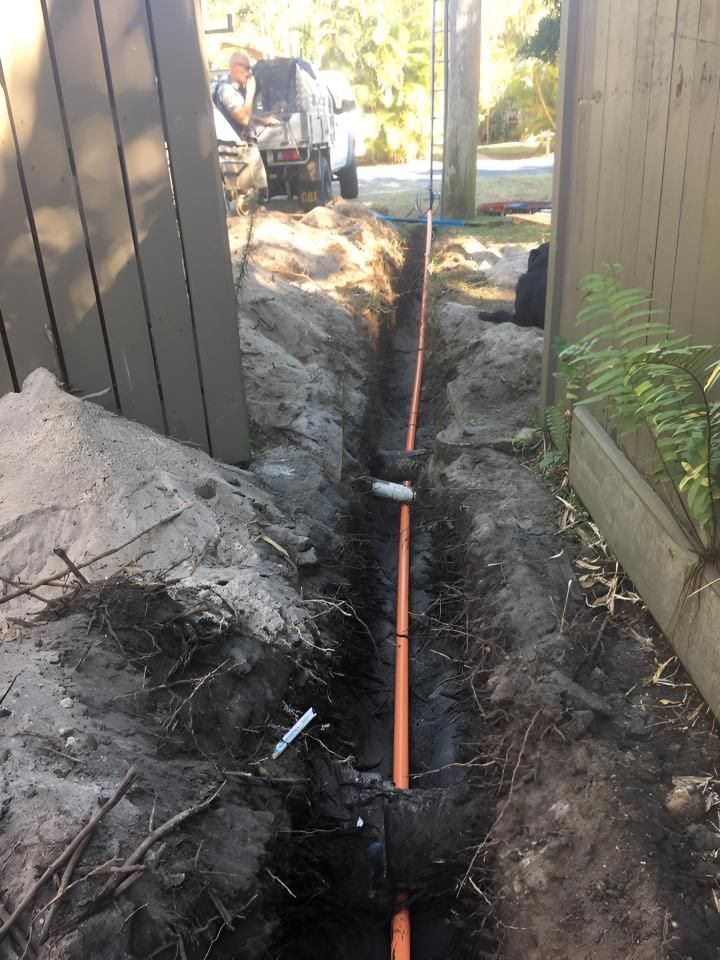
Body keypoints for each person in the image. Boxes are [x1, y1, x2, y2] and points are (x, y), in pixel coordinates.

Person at [213, 51, 279, 212]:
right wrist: (250, 93)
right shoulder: (226, 90)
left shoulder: (236, 91)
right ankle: (244, 228)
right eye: (247, 68)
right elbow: (242, 118)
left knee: (261, 193)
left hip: (249, 147)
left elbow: (244, 113)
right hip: (238, 150)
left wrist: (262, 121)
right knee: (246, 196)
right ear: (235, 67)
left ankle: (253, 224)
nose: (250, 73)